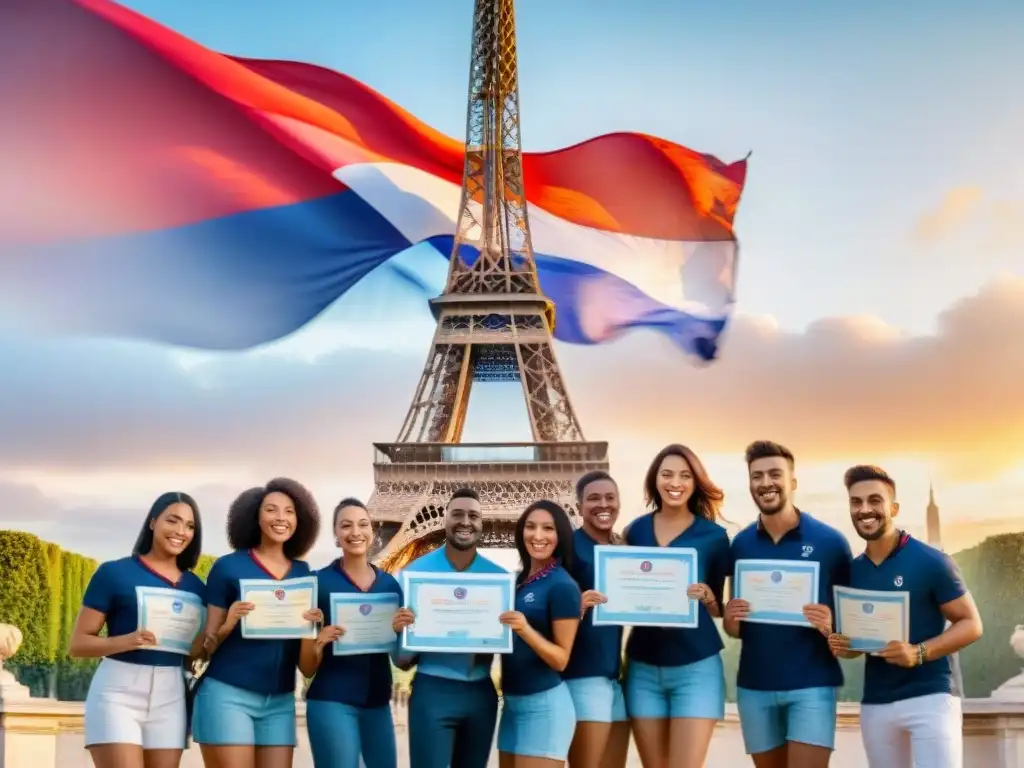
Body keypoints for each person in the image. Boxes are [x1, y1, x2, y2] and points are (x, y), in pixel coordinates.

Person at [827, 465, 983, 768]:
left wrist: (919, 652)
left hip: (931, 698)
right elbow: (856, 645)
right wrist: (843, 646)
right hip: (876, 703)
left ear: (893, 507)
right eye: (856, 502)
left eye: (875, 500)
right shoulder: (850, 572)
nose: (865, 509)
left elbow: (971, 624)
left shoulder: (932, 561)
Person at [724, 441, 852, 768]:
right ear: (749, 483)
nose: (765, 483)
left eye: (774, 474)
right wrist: (730, 618)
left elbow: (853, 628)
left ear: (792, 483)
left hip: (812, 684)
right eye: (757, 476)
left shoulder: (831, 543)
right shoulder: (740, 545)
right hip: (755, 686)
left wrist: (832, 624)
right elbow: (736, 627)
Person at [192, 478, 322, 768]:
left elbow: (308, 667)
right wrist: (229, 623)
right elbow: (203, 649)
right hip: (227, 695)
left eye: (289, 511)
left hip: (279, 702)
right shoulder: (227, 567)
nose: (281, 518)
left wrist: (310, 630)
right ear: (256, 516)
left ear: (300, 520)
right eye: (271, 510)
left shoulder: (304, 574)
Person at [71, 492, 206, 768]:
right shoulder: (114, 573)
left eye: (190, 526)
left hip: (172, 694)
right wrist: (127, 641)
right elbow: (78, 644)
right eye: (173, 521)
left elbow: (193, 655)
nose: (181, 531)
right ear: (153, 522)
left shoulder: (196, 587)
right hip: (117, 691)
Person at [621, 444, 732, 768]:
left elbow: (718, 607)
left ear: (696, 482)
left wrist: (710, 599)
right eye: (667, 474)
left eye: (685, 476)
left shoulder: (714, 537)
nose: (675, 482)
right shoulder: (635, 531)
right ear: (654, 480)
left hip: (696, 667)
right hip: (642, 665)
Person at [391, 488, 509, 768]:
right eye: (457, 514)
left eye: (473, 516)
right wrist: (399, 631)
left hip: (481, 693)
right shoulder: (413, 575)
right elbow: (401, 660)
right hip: (433, 691)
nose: (465, 521)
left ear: (482, 523)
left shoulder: (500, 580)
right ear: (443, 520)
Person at [300, 497, 404, 768]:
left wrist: (401, 632)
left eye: (363, 524)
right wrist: (318, 642)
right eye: (346, 526)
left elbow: (400, 660)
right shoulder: (318, 583)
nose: (355, 532)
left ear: (373, 531)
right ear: (336, 534)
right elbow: (307, 668)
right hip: (331, 700)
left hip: (378, 703)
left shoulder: (390, 586)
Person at [497, 500, 582, 767]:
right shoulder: (516, 581)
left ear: (560, 536)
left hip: (543, 708)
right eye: (531, 527)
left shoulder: (562, 585)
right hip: (512, 705)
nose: (538, 535)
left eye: (548, 528)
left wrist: (525, 630)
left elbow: (561, 659)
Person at [564, 471, 631, 768]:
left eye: (609, 497)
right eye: (593, 498)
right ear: (578, 507)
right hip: (582, 676)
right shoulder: (567, 548)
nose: (603, 504)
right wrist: (573, 606)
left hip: (614, 677)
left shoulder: (624, 551)